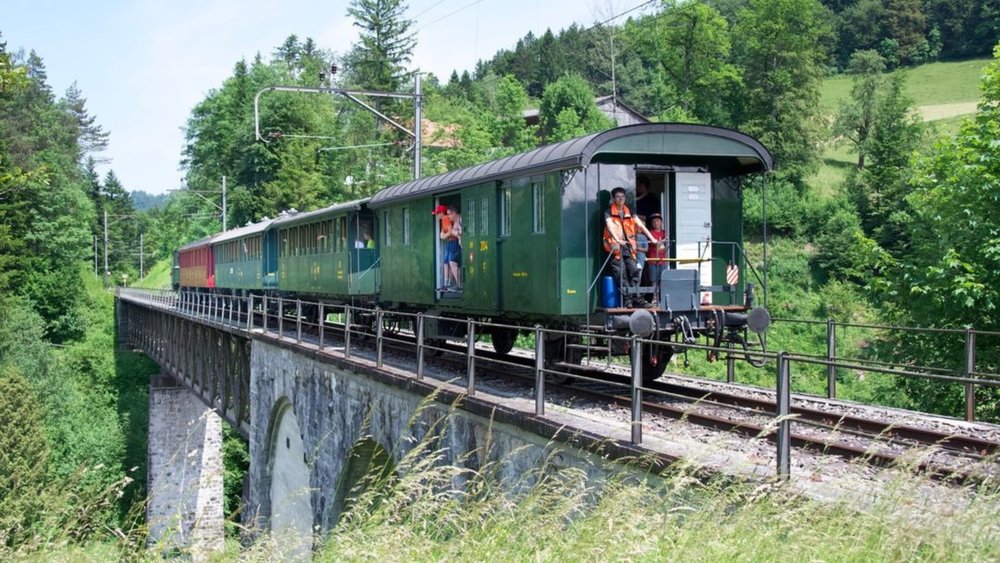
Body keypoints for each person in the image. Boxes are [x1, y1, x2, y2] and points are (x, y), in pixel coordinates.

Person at [604, 187, 659, 308]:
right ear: (613, 198)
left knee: (634, 271)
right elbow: (610, 226)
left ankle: (638, 299)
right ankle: (628, 300)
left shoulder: (630, 211)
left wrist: (652, 238)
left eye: (622, 196)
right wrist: (617, 239)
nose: (621, 199)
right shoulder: (608, 212)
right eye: (618, 197)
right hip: (615, 248)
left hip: (629, 247)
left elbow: (641, 225)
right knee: (621, 274)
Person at [644, 213, 668, 299]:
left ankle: (663, 299)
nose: (656, 223)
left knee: (664, 280)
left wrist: (663, 240)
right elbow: (657, 244)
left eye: (657, 221)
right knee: (653, 281)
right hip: (652, 260)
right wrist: (663, 241)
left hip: (663, 260)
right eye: (654, 221)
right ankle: (654, 299)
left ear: (661, 222)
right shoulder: (650, 233)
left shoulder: (664, 232)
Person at [443, 206, 462, 291]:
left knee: (453, 262)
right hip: (460, 246)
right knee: (453, 263)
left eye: (449, 214)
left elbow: (463, 232)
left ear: (454, 213)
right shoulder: (454, 221)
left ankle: (459, 284)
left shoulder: (461, 219)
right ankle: (458, 284)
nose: (448, 216)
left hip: (463, 246)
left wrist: (454, 232)